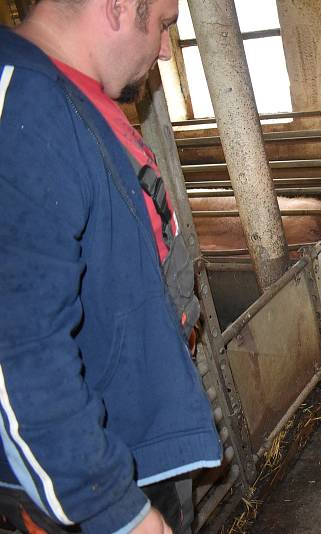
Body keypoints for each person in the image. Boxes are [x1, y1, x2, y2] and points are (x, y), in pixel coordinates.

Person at [0, 1, 222, 532]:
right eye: (165, 24)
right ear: (119, 6)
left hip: (129, 439)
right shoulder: (24, 112)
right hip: (84, 482)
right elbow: (16, 349)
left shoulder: (71, 96)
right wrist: (112, 508)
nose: (166, 47)